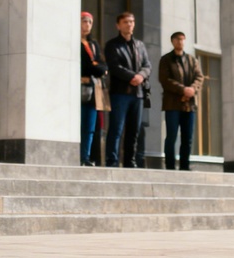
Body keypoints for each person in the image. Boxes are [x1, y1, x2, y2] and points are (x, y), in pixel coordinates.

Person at [103, 12, 151, 168]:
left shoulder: (140, 45)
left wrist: (141, 76)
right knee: (116, 129)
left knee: (134, 130)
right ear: (118, 25)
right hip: (120, 93)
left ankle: (130, 161)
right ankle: (112, 161)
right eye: (125, 22)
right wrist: (133, 76)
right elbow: (115, 67)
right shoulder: (112, 45)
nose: (129, 24)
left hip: (138, 94)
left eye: (131, 21)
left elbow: (147, 65)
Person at [157, 31, 204, 171]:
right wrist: (182, 90)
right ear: (172, 41)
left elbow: (199, 77)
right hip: (172, 104)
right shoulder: (166, 59)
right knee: (171, 136)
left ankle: (185, 166)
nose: (180, 42)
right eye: (177, 39)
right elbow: (165, 80)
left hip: (189, 105)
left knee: (187, 137)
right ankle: (170, 166)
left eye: (183, 39)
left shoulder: (191, 60)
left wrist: (192, 89)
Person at [79, 12, 108, 166]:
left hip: (93, 88)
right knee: (79, 123)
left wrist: (98, 67)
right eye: (84, 21)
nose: (88, 24)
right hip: (79, 88)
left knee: (90, 126)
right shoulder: (75, 42)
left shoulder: (94, 44)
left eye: (90, 22)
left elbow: (103, 65)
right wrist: (96, 67)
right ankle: (77, 155)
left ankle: (86, 156)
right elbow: (85, 65)